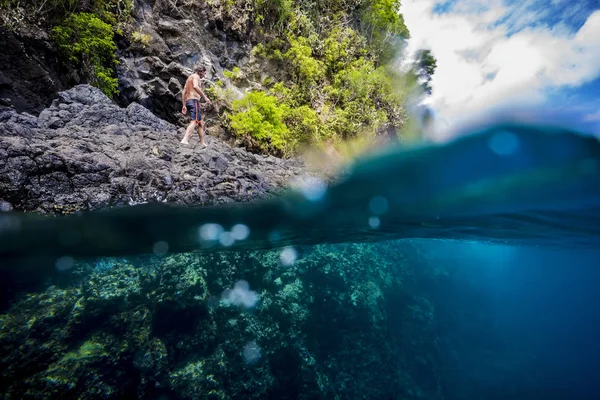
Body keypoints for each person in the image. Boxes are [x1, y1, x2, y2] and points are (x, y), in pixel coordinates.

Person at [181, 66, 212, 147]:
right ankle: (185, 139)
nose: (204, 75)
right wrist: (205, 97)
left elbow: (183, 93)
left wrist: (184, 105)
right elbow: (195, 86)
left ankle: (202, 142)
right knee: (194, 121)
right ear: (201, 71)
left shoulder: (189, 79)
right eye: (204, 73)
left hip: (190, 101)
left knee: (201, 123)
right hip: (193, 101)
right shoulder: (196, 76)